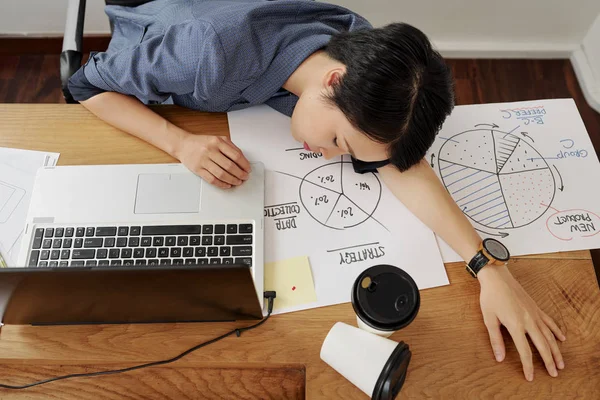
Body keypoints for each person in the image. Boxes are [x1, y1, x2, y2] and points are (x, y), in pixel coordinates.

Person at [69, 0, 565, 381]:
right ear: (334, 80)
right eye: (337, 142)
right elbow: (82, 84)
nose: (330, 157)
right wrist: (179, 142)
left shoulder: (361, 52)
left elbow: (400, 167)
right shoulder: (204, 57)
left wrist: (488, 269)